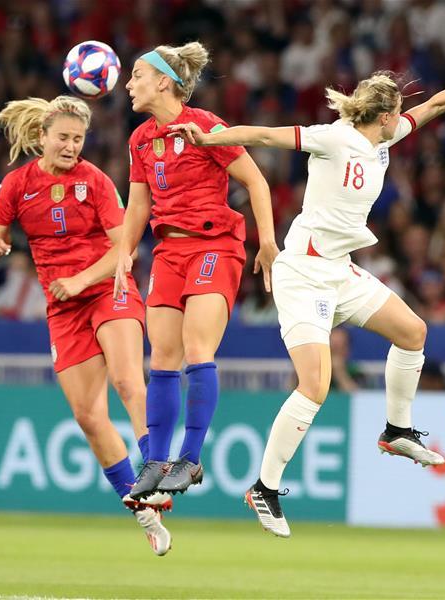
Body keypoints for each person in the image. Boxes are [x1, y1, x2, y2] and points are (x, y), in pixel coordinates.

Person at [170, 66, 445, 537]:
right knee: (315, 385)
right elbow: (264, 135)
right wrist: (208, 138)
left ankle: (397, 431)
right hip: (303, 271)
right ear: (384, 114)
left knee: (413, 331)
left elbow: (436, 103)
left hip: (339, 269)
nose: (404, 118)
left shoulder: (382, 137)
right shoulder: (332, 138)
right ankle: (264, 487)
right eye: (398, 111)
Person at [0, 95, 172, 556]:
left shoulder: (97, 182)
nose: (70, 146)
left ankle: (157, 470)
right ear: (42, 137)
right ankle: (144, 511)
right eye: (63, 137)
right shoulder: (16, 185)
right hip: (63, 307)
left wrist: (82, 278)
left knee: (128, 380)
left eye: (78, 139)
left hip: (109, 289)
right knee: (88, 416)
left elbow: (123, 249)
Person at [113, 42, 279, 499]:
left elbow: (256, 181)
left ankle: (191, 458)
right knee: (161, 359)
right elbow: (140, 205)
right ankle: (156, 462)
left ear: (164, 81)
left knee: (195, 346)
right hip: (168, 254)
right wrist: (125, 252)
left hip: (215, 246)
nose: (129, 83)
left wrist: (266, 242)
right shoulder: (140, 139)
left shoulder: (205, 126)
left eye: (138, 75)